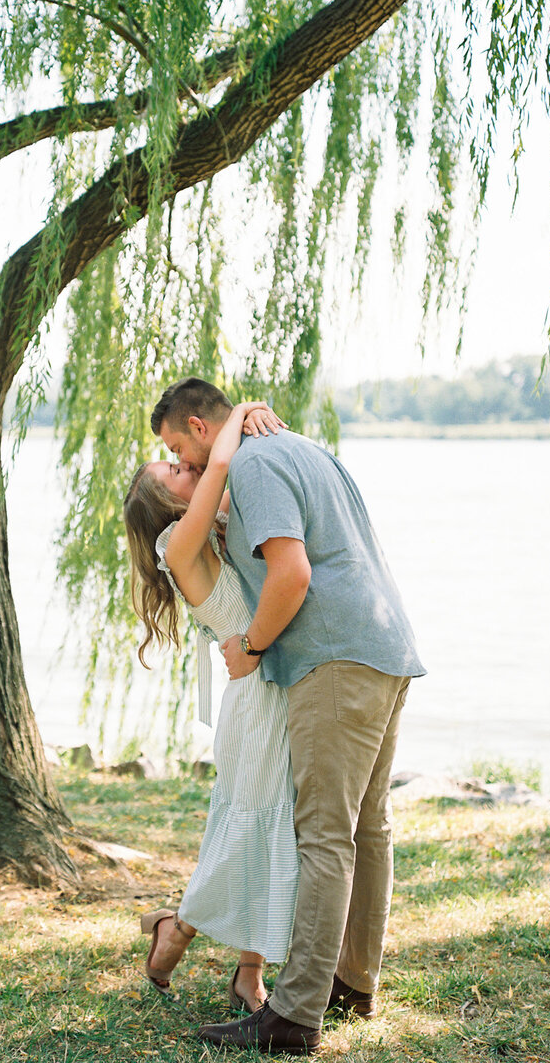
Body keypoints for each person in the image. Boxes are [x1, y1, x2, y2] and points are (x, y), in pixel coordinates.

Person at [150, 377, 425, 1056]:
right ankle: (354, 982)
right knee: (368, 827)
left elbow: (292, 574)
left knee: (326, 835)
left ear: (200, 427)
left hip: (330, 658)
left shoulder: (253, 464)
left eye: (179, 448)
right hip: (385, 643)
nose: (183, 464)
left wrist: (249, 645)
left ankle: (296, 1014)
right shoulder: (304, 448)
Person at [123, 399, 298, 1015]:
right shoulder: (177, 542)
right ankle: (176, 928)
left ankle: (249, 976)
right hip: (254, 699)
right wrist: (243, 411)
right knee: (243, 834)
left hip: (275, 682)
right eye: (171, 471)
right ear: (162, 504)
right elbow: (220, 463)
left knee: (274, 834)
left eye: (177, 459)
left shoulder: (215, 527)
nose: (184, 466)